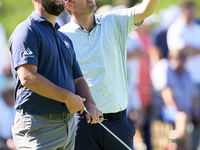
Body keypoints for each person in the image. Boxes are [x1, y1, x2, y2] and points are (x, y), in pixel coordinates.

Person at [59, 0, 160, 149]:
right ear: (69, 5)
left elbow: (146, 10)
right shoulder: (61, 36)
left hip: (118, 123)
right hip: (83, 124)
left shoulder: (114, 21)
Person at [8, 0, 103, 149]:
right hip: (38, 126)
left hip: (68, 127)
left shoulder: (63, 38)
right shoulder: (27, 31)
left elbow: (78, 79)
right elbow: (27, 78)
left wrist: (90, 104)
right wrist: (67, 97)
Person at [151, 48, 200, 150]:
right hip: (168, 110)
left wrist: (195, 111)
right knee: (182, 117)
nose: (184, 61)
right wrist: (180, 110)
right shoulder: (165, 68)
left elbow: (194, 96)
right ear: (172, 58)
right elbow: (167, 93)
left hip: (188, 110)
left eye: (185, 59)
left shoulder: (187, 73)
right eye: (181, 58)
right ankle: (183, 146)